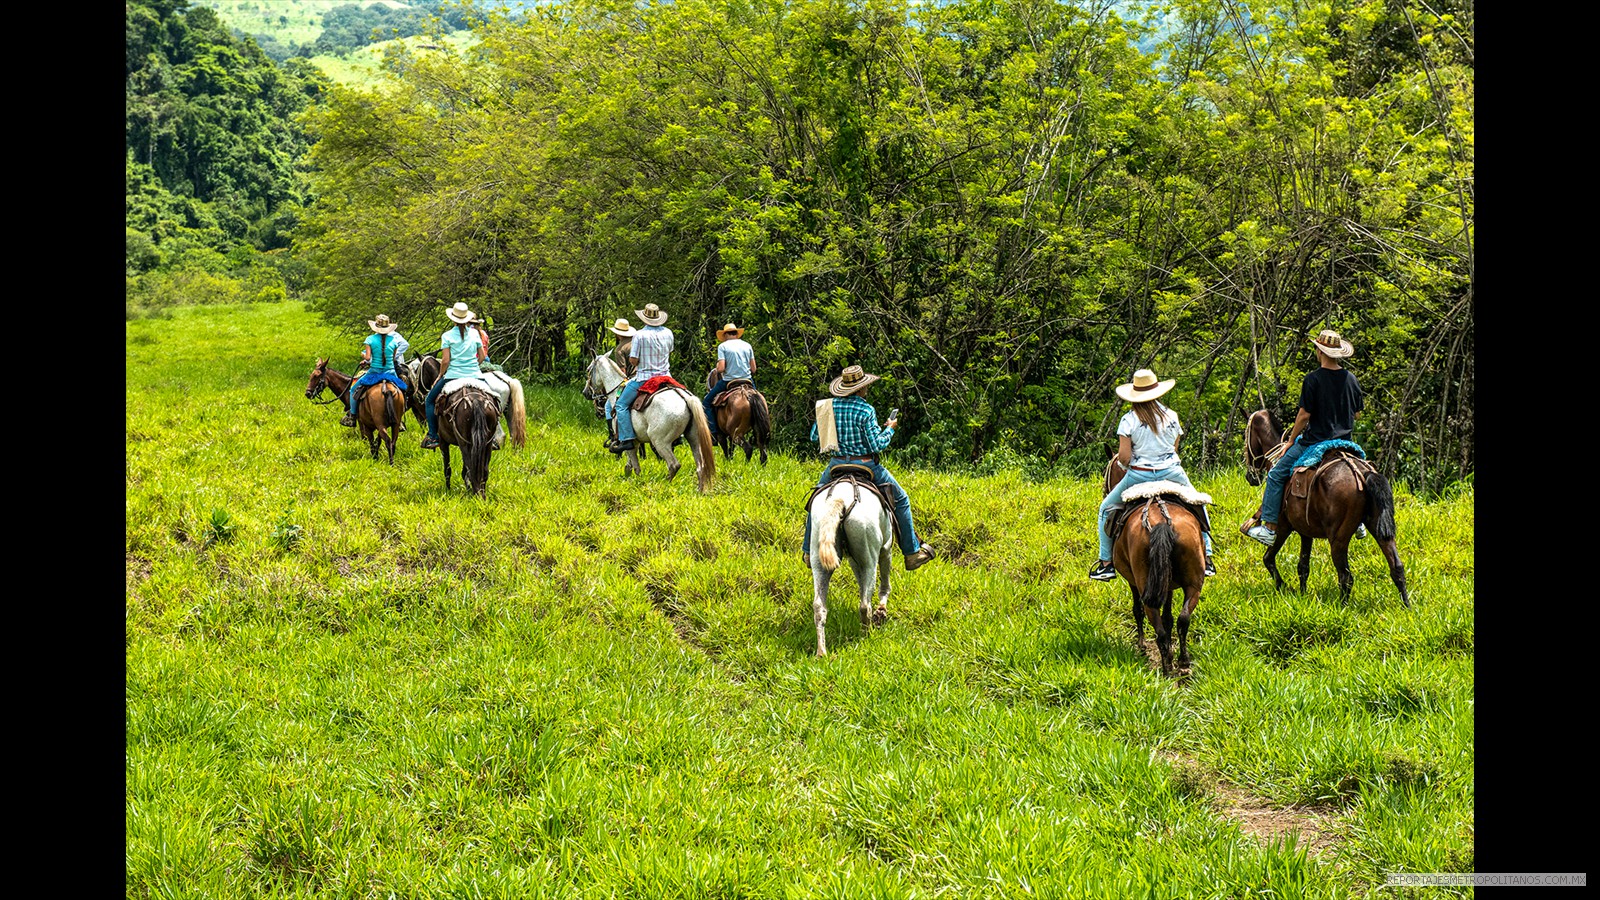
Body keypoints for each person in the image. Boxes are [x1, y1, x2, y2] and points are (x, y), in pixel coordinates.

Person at [802, 364, 935, 571]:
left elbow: (814, 437)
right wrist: (889, 429)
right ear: (860, 389)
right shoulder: (866, 409)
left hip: (836, 464)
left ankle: (808, 551)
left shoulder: (828, 406)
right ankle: (912, 553)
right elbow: (876, 445)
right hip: (866, 465)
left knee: (814, 501)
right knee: (901, 499)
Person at [1088, 368, 1216, 581]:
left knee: (1105, 508)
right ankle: (1208, 557)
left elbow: (1125, 458)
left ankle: (1106, 563)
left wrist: (1124, 463)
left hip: (1139, 476)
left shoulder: (1128, 420)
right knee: (1198, 503)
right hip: (1173, 474)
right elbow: (1174, 449)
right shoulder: (1172, 416)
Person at [1245, 329, 1364, 546]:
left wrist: (1290, 441)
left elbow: (1304, 415)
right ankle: (1359, 521)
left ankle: (1269, 528)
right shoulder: (1351, 379)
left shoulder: (1313, 379)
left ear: (1319, 351)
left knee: (1276, 474)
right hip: (1346, 443)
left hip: (1316, 442)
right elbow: (1357, 413)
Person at [608, 303, 675, 452]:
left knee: (621, 405)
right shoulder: (668, 332)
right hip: (666, 377)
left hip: (644, 377)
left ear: (644, 317)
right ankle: (678, 436)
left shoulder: (639, 335)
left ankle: (626, 439)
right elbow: (670, 352)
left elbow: (634, 361)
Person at [420, 302, 488, 450]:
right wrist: (472, 366)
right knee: (493, 400)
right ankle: (493, 436)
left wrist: (440, 375)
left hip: (453, 376)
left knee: (429, 400)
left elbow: (445, 361)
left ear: (453, 319)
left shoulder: (447, 335)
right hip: (475, 375)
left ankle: (433, 435)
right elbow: (482, 356)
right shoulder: (476, 333)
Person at [342, 314, 410, 428]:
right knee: (403, 391)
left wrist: (364, 356)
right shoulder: (394, 340)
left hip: (374, 372)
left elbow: (368, 358)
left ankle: (352, 416)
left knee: (353, 390)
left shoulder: (370, 339)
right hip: (390, 373)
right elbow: (392, 358)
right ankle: (400, 419)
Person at [703, 322, 755, 441]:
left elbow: (721, 368)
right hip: (747, 380)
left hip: (728, 381)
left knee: (706, 403)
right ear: (736, 334)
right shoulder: (747, 345)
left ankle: (713, 433)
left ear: (725, 335)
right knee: (759, 401)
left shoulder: (723, 346)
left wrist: (718, 365)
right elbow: (753, 369)